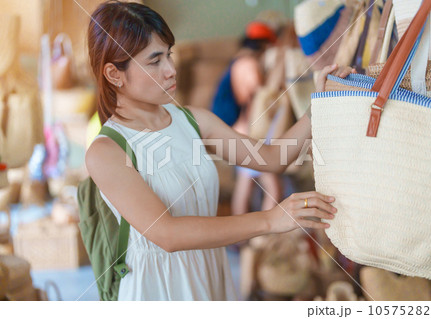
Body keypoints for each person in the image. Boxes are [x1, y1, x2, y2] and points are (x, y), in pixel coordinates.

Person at [85, 1, 354, 301]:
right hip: (158, 291)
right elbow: (168, 234)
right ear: (114, 74)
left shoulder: (193, 121)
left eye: (169, 55)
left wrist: (316, 106)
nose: (171, 70)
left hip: (210, 276)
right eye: (155, 60)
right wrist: (269, 220)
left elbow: (272, 158)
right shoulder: (106, 151)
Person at [211, 20, 283, 217]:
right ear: (263, 45)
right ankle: (268, 237)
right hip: (249, 131)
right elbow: (259, 99)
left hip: (238, 131)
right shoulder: (248, 64)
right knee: (273, 186)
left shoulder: (236, 62)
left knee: (245, 184)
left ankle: (243, 240)